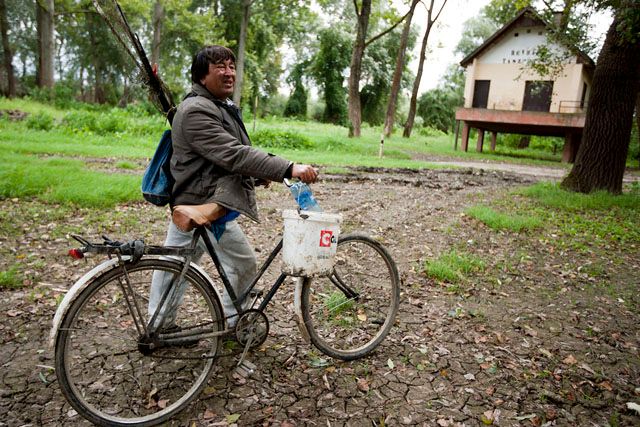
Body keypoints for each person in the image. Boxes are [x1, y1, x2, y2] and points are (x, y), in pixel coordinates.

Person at [149, 45, 318, 330]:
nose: (229, 73)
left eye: (231, 66)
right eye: (220, 67)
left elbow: (220, 159)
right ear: (203, 76)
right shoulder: (196, 111)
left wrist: (255, 177)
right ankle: (234, 322)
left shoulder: (214, 106)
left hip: (197, 195)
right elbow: (234, 154)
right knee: (239, 264)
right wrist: (288, 168)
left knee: (175, 266)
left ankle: (160, 324)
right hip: (205, 200)